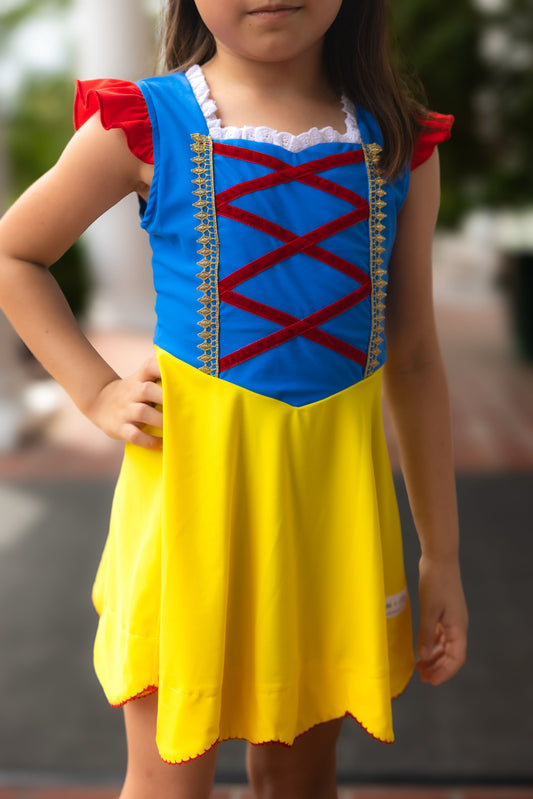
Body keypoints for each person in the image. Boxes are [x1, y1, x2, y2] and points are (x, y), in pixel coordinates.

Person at [0, 1, 468, 797]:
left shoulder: (396, 142)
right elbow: (15, 254)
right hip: (192, 510)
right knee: (167, 780)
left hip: (327, 521)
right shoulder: (144, 124)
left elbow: (416, 359)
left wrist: (442, 557)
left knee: (298, 778)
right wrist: (96, 390)